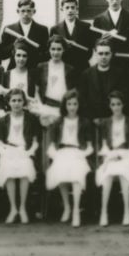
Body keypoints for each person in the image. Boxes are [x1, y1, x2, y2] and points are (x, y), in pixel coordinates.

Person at [45, 89, 94, 227]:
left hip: (78, 153)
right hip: (62, 152)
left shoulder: (84, 122)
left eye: (75, 104)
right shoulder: (58, 122)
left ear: (79, 105)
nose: (72, 107)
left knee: (77, 173)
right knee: (60, 170)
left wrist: (82, 154)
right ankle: (67, 206)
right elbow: (53, 144)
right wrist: (54, 155)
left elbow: (90, 146)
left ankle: (76, 210)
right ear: (64, 106)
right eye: (69, 104)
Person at [95, 90, 129, 227]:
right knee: (107, 176)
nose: (116, 107)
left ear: (123, 105)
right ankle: (104, 212)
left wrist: (123, 155)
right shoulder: (105, 123)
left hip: (127, 156)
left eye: (119, 104)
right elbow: (103, 146)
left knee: (123, 173)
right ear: (110, 106)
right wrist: (111, 156)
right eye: (113, 104)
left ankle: (127, 212)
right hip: (111, 156)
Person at [0, 88, 40, 224]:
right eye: (13, 100)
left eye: (19, 100)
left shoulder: (31, 119)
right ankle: (13, 208)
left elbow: (36, 142)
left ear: (24, 102)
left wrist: (29, 152)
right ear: (8, 102)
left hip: (24, 151)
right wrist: (5, 153)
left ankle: (22, 209)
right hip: (8, 151)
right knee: (8, 169)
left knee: (25, 169)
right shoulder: (3, 121)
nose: (17, 103)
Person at [92, 0, 129, 73]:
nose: (114, 1)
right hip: (107, 64)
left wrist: (119, 36)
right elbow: (94, 43)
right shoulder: (98, 19)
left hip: (126, 63)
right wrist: (102, 40)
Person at [78, 40, 125, 121]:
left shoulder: (120, 74)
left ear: (111, 54)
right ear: (95, 54)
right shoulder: (86, 74)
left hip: (113, 120)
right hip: (92, 121)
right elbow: (82, 101)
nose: (103, 57)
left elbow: (123, 99)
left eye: (107, 53)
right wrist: (93, 118)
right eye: (100, 53)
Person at [35, 35, 77, 123]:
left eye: (59, 49)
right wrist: (40, 107)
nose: (56, 52)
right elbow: (36, 89)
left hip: (64, 109)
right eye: (53, 49)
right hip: (46, 108)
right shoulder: (41, 67)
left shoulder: (70, 69)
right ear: (49, 50)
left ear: (63, 50)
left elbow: (73, 92)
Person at [1, 0, 50, 69]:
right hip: (15, 69)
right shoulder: (9, 29)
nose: (26, 14)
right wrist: (14, 45)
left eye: (29, 11)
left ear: (34, 11)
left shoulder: (42, 30)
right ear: (18, 11)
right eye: (23, 11)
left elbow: (46, 54)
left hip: (35, 69)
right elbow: (3, 54)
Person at [50, 0, 95, 72]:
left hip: (82, 67)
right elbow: (52, 50)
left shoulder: (86, 27)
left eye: (72, 7)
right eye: (67, 8)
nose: (70, 10)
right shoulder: (55, 29)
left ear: (76, 9)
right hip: (63, 68)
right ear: (62, 9)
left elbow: (89, 49)